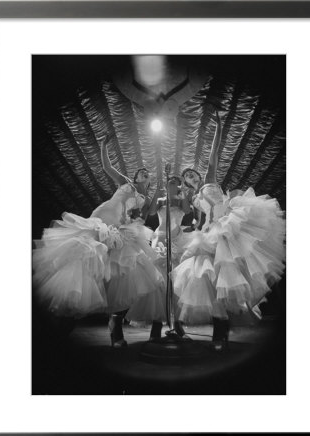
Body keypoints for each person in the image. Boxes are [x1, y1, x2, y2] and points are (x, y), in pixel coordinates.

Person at [33, 136, 166, 348]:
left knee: (126, 273)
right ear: (136, 176)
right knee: (85, 257)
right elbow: (107, 166)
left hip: (121, 229)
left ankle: (116, 324)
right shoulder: (126, 183)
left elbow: (147, 214)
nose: (144, 172)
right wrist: (104, 146)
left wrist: (158, 190)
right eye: (141, 171)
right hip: (104, 218)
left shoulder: (144, 198)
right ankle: (62, 319)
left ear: (148, 180)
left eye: (146, 173)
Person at [172, 111, 286, 351]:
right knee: (208, 278)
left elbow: (214, 154)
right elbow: (202, 218)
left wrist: (219, 127)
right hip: (211, 231)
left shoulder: (209, 179)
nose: (191, 177)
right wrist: (200, 231)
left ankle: (221, 334)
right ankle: (216, 328)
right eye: (187, 177)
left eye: (192, 173)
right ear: (186, 183)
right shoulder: (193, 198)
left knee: (230, 274)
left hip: (229, 224)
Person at [127, 175, 192, 339]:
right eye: (170, 183)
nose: (173, 185)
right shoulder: (162, 200)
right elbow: (152, 212)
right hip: (160, 239)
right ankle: (156, 327)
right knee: (158, 280)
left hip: (177, 239)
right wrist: (158, 191)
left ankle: (177, 324)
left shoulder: (181, 199)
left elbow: (187, 211)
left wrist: (182, 194)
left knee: (176, 281)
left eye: (176, 183)